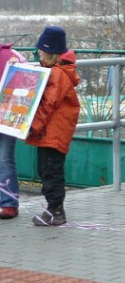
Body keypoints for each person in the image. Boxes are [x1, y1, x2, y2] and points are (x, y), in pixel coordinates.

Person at [25, 26, 80, 226]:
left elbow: (48, 105)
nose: (39, 52)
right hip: (52, 132)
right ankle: (53, 209)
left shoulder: (56, 75)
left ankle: (56, 211)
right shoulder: (54, 72)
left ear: (52, 52)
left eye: (41, 50)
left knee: (51, 171)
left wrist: (31, 127)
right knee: (47, 169)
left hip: (53, 132)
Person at [0, 43, 26, 220]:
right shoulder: (14, 55)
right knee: (5, 157)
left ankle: (9, 203)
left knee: (5, 158)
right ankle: (9, 203)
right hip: (10, 115)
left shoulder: (11, 56)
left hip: (8, 116)